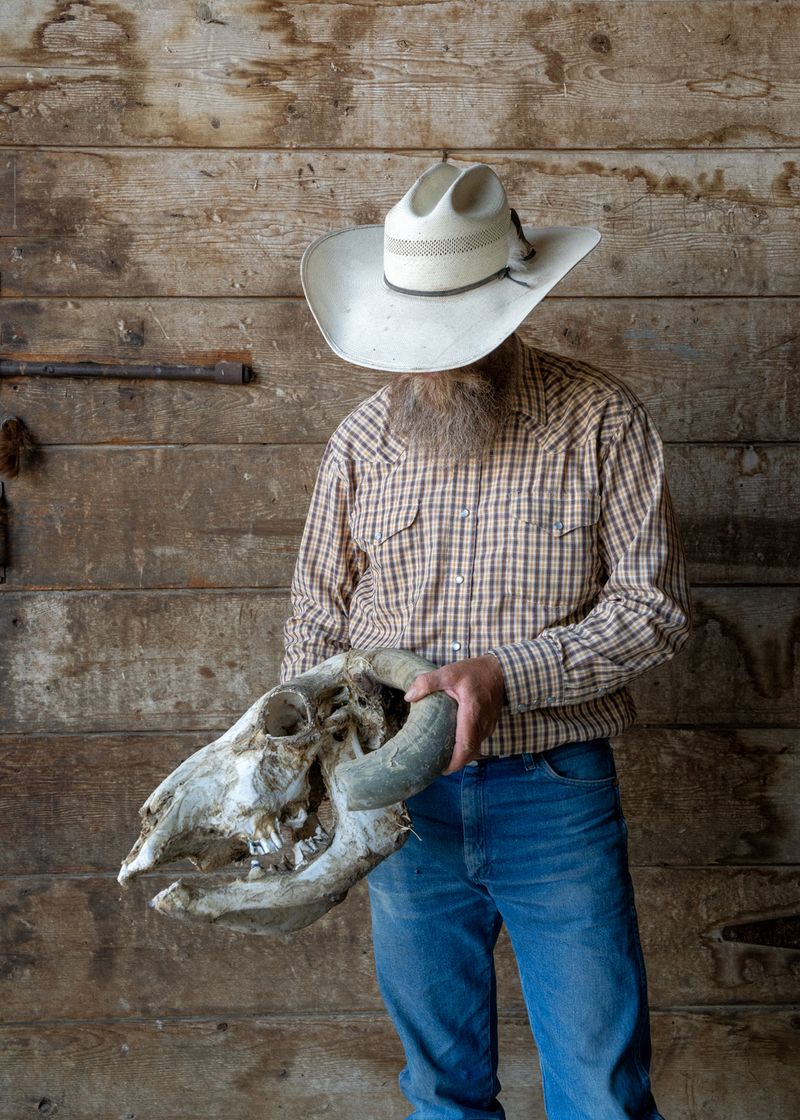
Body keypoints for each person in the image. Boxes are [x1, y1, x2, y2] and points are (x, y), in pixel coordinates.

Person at [279, 161, 692, 1120]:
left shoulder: (602, 422)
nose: (427, 358)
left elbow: (655, 608)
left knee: (601, 1091)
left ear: (512, 310)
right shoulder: (360, 444)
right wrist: (317, 762)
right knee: (441, 1091)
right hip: (400, 803)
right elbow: (314, 619)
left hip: (555, 792)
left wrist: (510, 672)